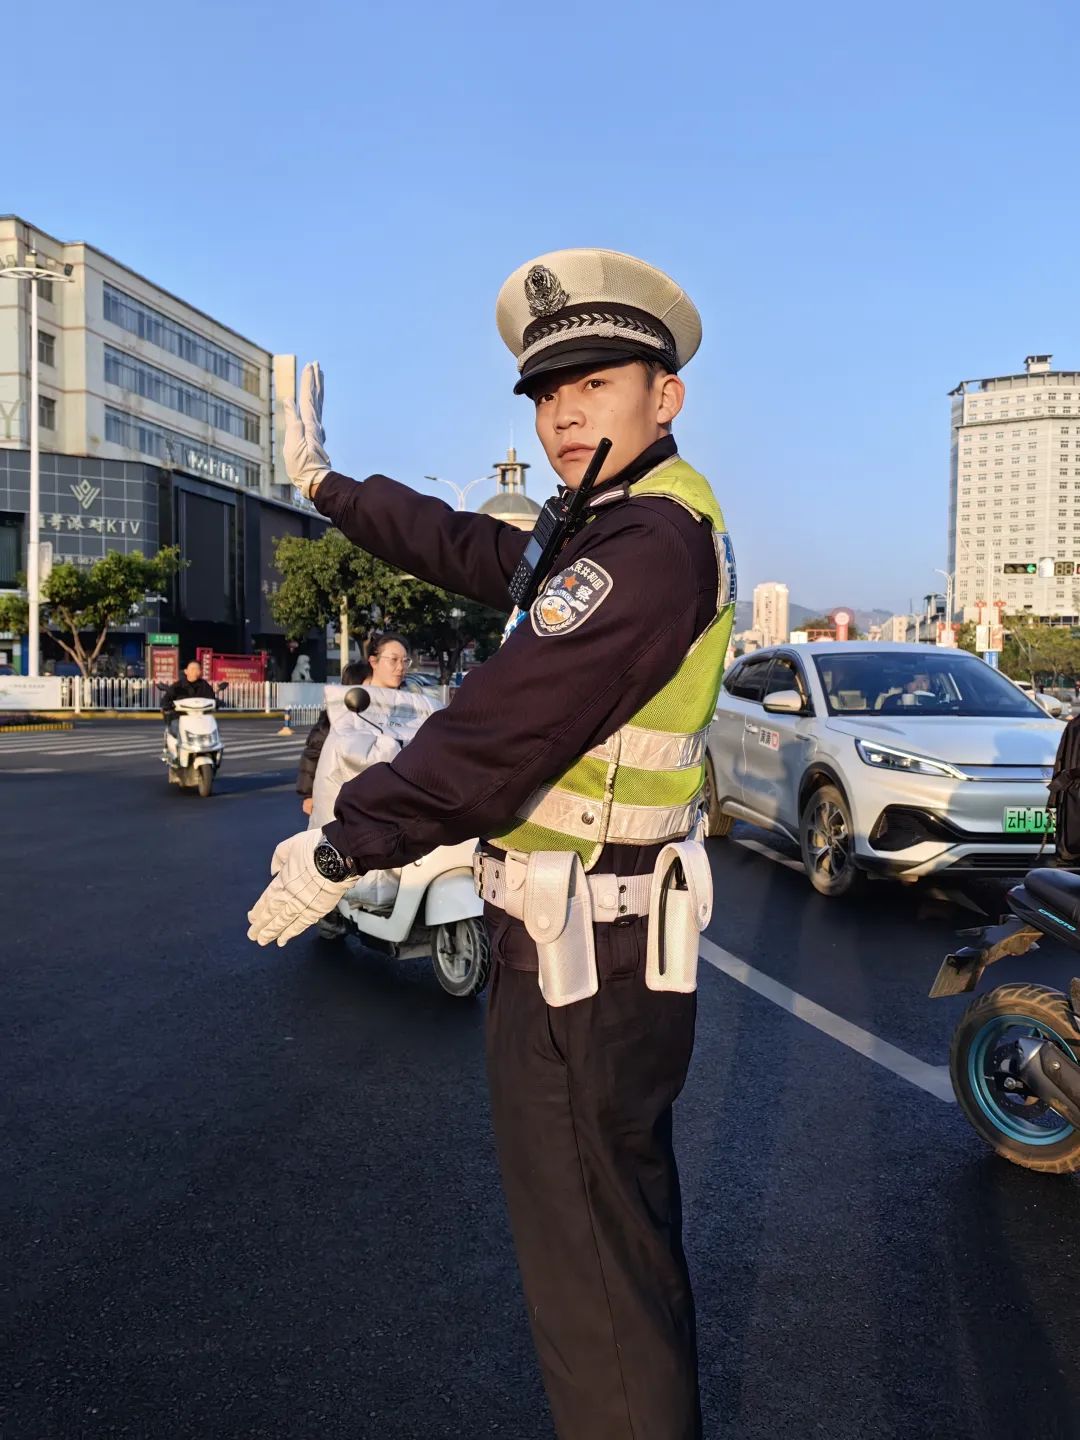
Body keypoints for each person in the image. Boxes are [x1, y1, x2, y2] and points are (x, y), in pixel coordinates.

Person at [248, 248, 736, 1440]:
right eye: (547, 393)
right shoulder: (606, 525)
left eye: (597, 385)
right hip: (587, 940)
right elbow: (460, 544)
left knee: (592, 1280)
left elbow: (501, 726)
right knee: (615, 1250)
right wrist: (324, 484)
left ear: (664, 397)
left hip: (586, 955)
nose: (564, 414)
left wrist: (343, 845)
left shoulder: (647, 545)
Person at [297, 660, 373, 817]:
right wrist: (309, 794)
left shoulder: (379, 716)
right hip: (335, 792)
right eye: (369, 685)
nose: (374, 691)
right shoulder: (334, 717)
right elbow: (313, 753)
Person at [161, 661, 214, 737]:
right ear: (186, 671)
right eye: (192, 669)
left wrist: (218, 702)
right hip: (180, 718)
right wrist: (168, 705)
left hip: (200, 718)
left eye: (198, 669)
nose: (195, 671)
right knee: (177, 731)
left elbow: (211, 698)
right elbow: (166, 700)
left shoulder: (205, 686)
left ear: (201, 672)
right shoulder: (177, 686)